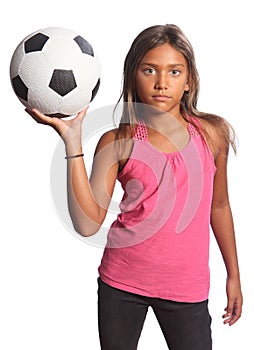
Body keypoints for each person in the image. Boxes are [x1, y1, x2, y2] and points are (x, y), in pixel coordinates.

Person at [26, 24, 243, 350]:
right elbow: (87, 224)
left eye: (174, 72)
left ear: (189, 82)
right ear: (133, 76)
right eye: (150, 70)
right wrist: (72, 141)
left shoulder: (212, 135)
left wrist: (234, 274)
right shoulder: (118, 141)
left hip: (186, 288)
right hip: (123, 282)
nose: (161, 82)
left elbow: (220, 206)